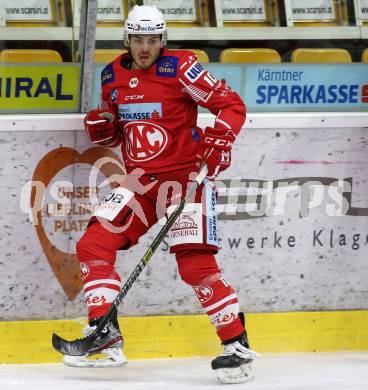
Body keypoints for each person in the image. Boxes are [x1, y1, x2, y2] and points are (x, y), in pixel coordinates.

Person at [65, 4, 257, 384]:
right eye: (139, 39)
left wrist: (220, 141)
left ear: (162, 40)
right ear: (128, 39)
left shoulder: (181, 67)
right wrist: (107, 131)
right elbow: (120, 130)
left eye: (153, 40)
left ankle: (236, 345)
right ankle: (104, 336)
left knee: (195, 265)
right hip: (139, 183)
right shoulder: (111, 75)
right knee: (93, 243)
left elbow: (231, 105)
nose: (145, 47)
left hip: (185, 181)